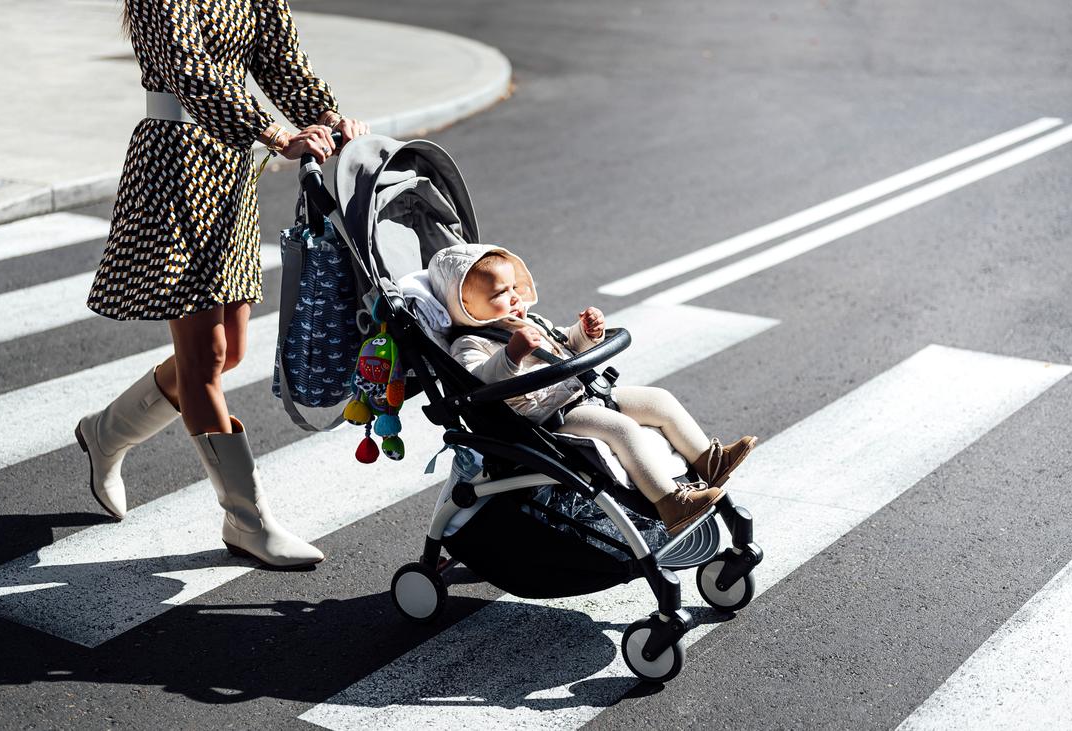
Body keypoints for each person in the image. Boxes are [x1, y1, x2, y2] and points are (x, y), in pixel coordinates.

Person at [75, 0, 369, 568]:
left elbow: (281, 59)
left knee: (228, 352)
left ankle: (105, 432)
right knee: (205, 357)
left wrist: (329, 119)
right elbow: (189, 70)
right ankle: (246, 520)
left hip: (229, 171)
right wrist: (274, 132)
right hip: (175, 166)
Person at [428, 244, 757, 536]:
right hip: (549, 416)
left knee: (659, 401)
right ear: (465, 305)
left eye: (514, 286)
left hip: (584, 392)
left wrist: (586, 333)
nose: (514, 296)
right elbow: (480, 380)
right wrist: (511, 355)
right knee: (622, 429)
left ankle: (709, 461)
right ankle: (671, 503)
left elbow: (564, 344)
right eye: (500, 294)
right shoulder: (469, 343)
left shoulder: (531, 322)